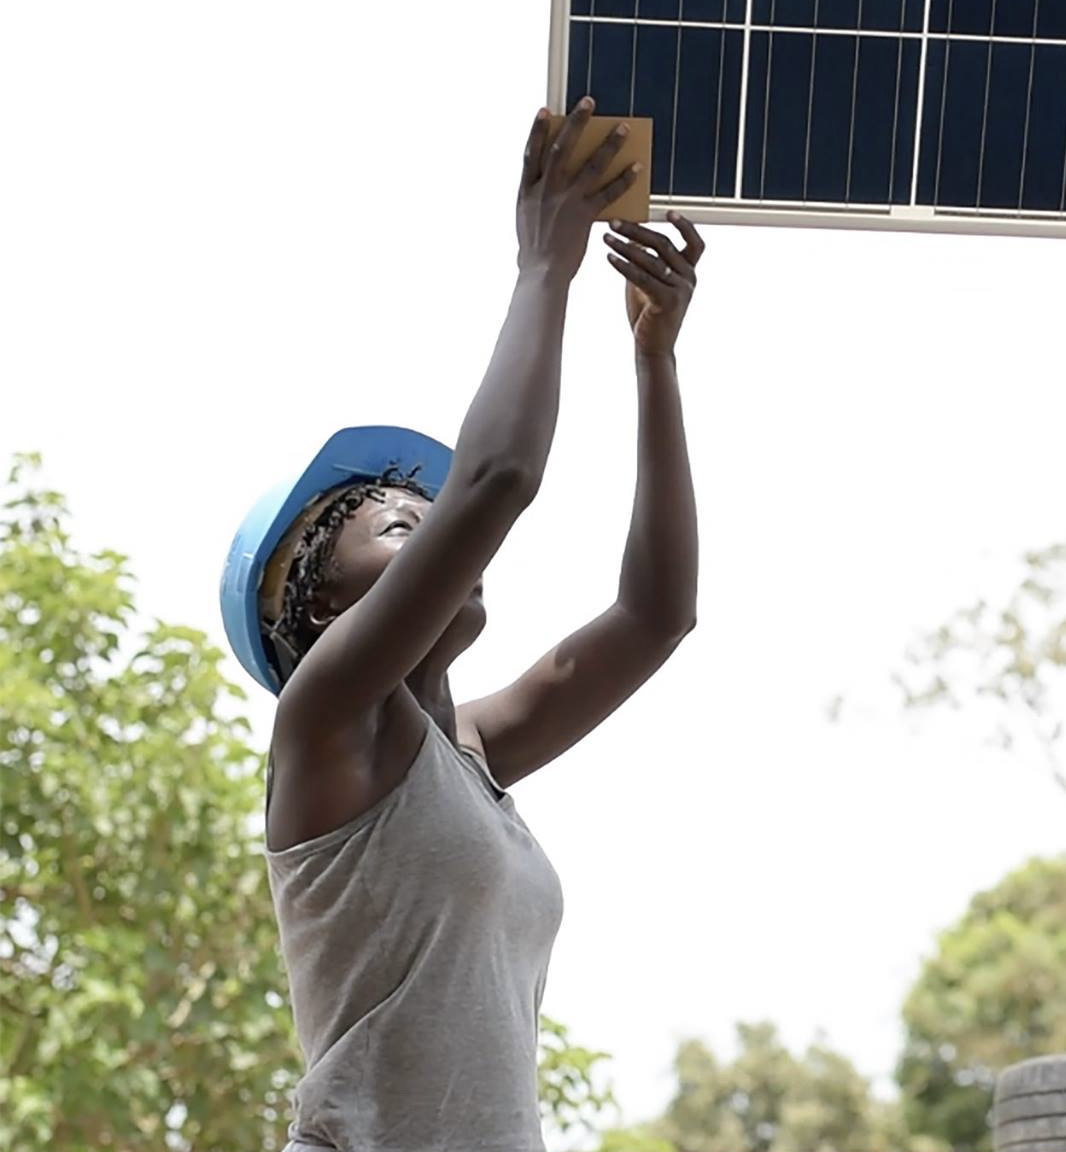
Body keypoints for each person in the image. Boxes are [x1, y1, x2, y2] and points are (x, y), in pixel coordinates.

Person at [216, 97, 707, 1152]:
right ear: (322, 606)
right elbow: (499, 477)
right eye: (403, 525)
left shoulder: (469, 753)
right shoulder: (329, 727)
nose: (446, 534)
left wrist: (653, 359)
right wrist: (543, 272)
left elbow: (657, 616)